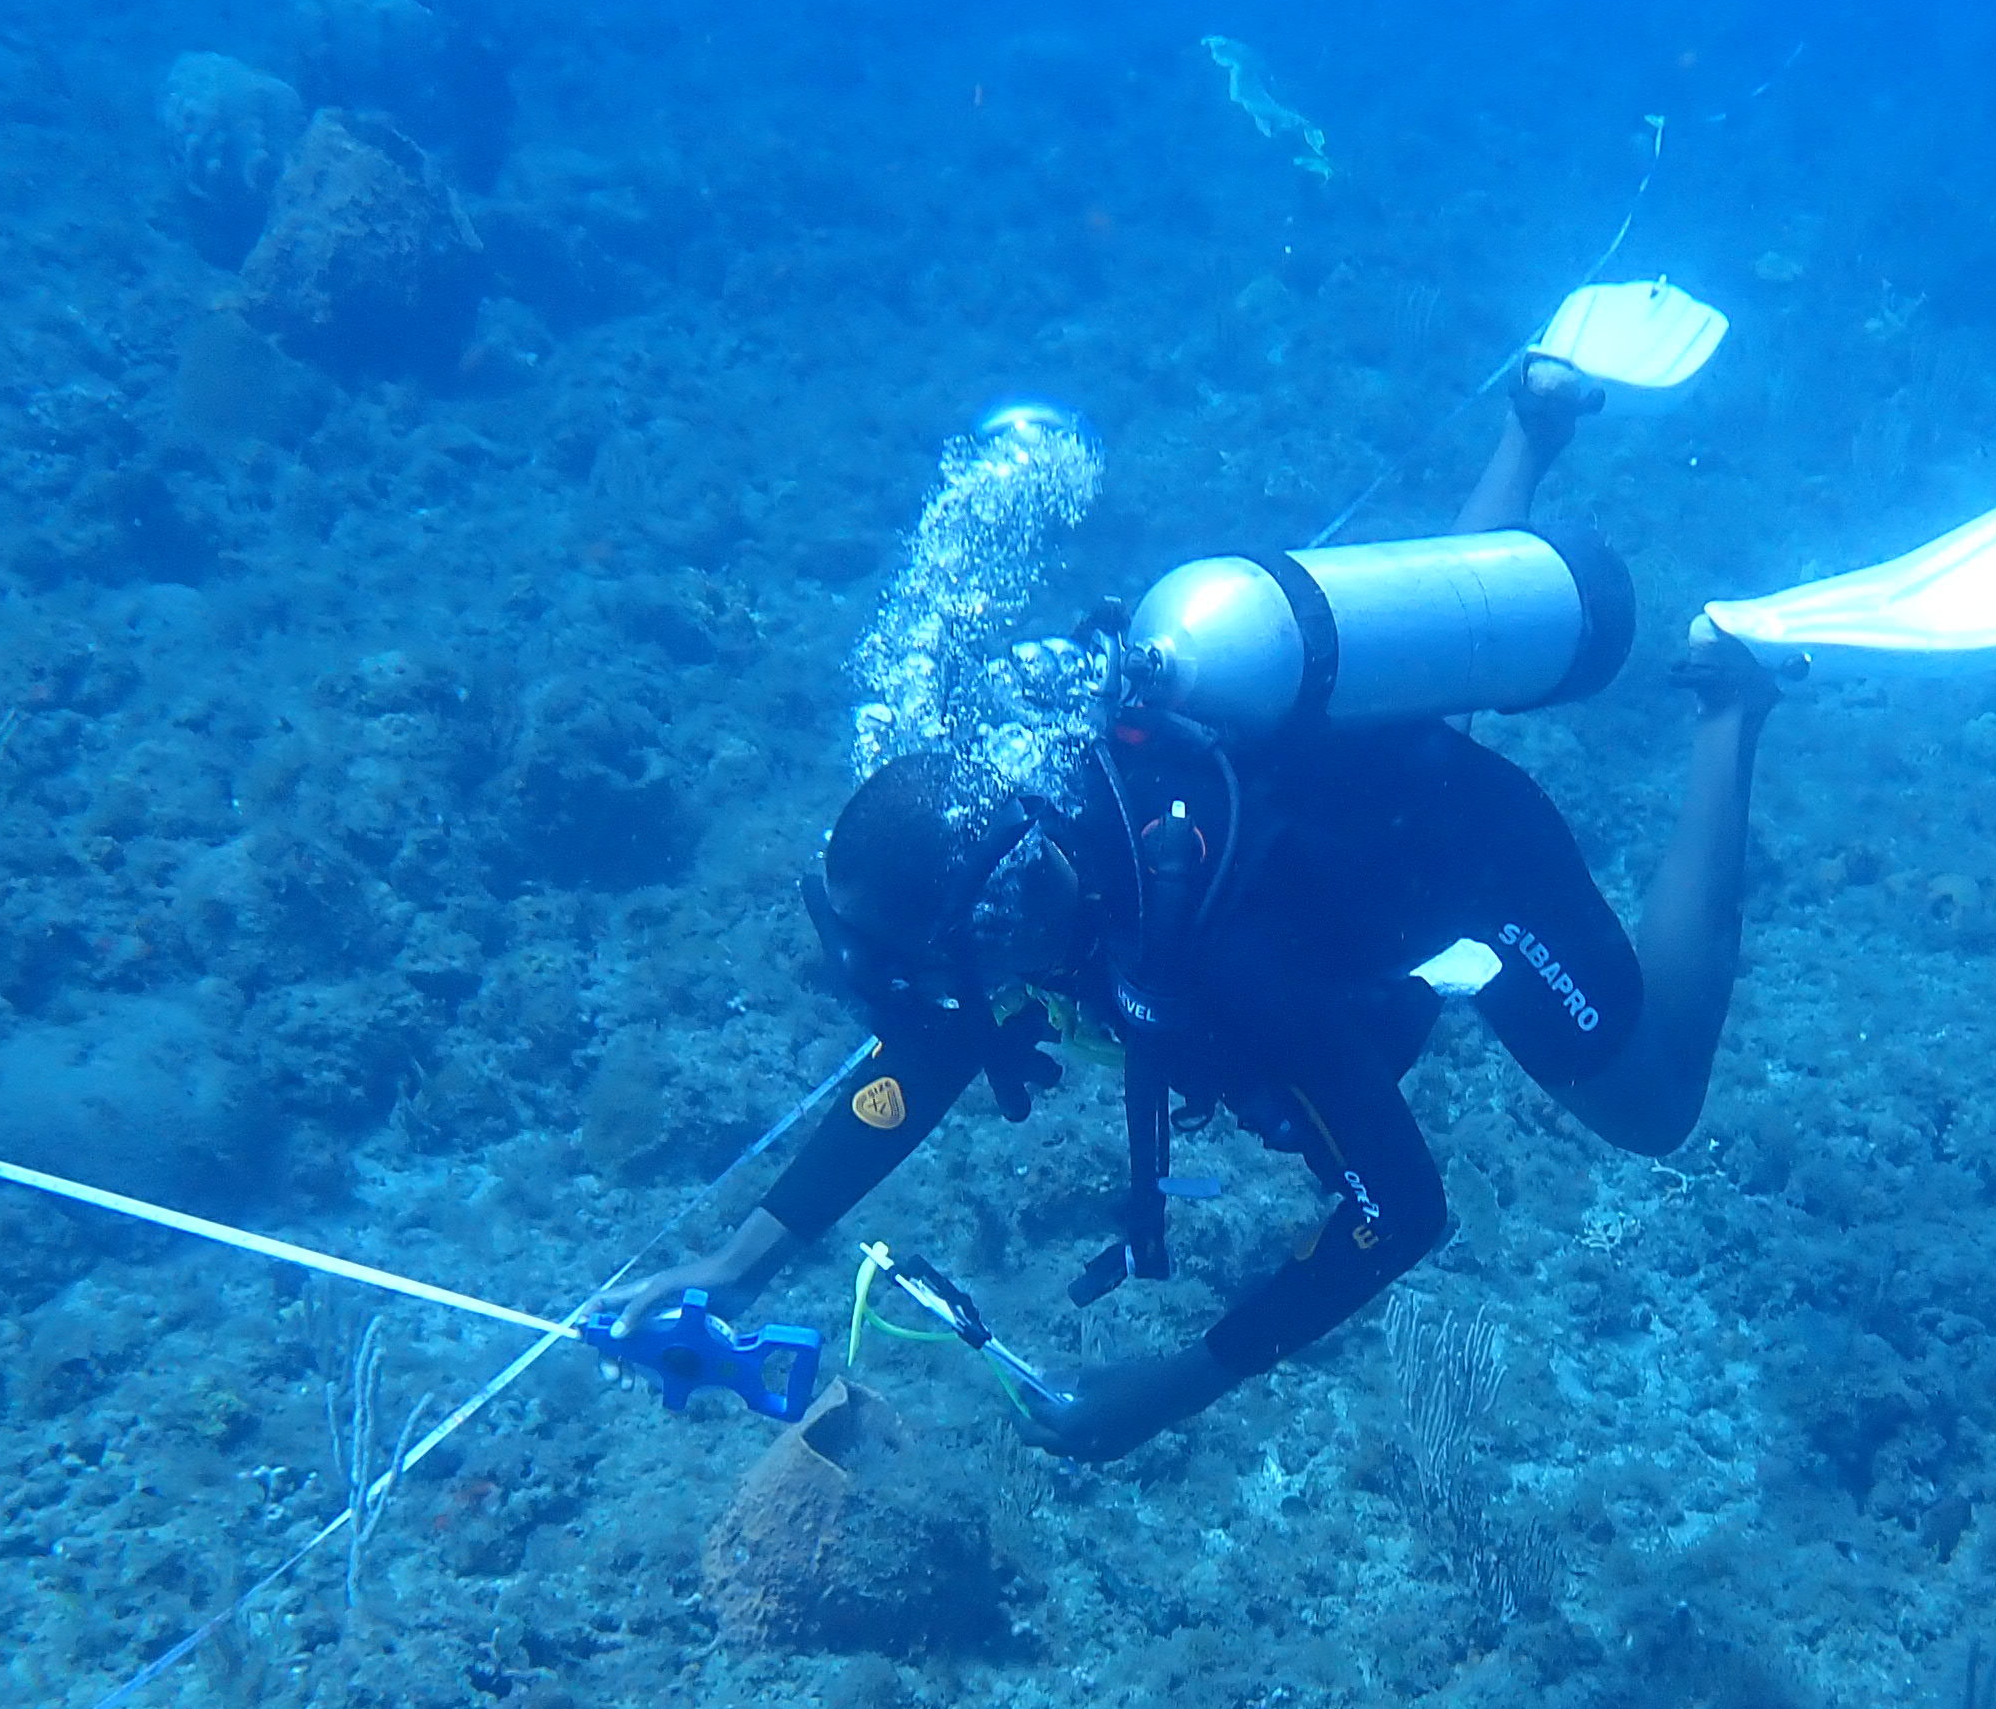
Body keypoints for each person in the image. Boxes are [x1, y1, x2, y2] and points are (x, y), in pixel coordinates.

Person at [617, 363, 1778, 1460]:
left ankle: (1730, 698)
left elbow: (1400, 1210)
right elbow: (929, 1046)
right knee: (1424, 724)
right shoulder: (1024, 835)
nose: (952, 1004)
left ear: (998, 920)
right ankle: (1532, 427)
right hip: (1353, 797)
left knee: (1655, 1103)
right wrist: (739, 1259)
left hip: (1469, 850)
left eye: (949, 972)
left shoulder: (1223, 966)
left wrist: (1178, 1385)